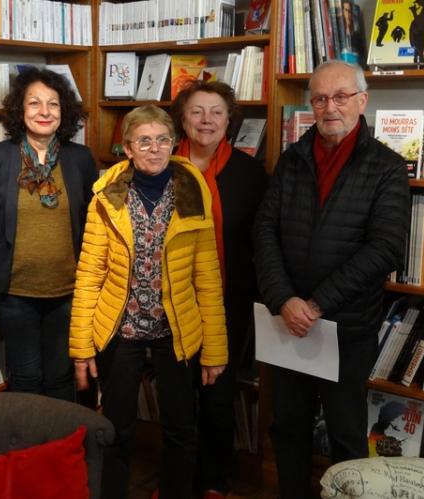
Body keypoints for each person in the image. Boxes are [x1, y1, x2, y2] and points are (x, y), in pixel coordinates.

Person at [253, 60, 410, 499]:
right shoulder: (292, 158)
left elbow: (385, 249)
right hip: (287, 324)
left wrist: (317, 304)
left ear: (362, 100)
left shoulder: (387, 168)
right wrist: (284, 299)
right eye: (320, 98)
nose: (330, 107)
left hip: (345, 331)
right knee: (287, 430)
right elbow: (264, 229)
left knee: (346, 437)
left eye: (340, 96)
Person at [69, 105, 228, 499]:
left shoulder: (192, 190)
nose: (154, 149)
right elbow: (90, 274)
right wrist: (81, 347)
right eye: (144, 141)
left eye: (162, 140)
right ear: (127, 148)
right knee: (116, 428)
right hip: (119, 330)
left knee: (180, 428)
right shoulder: (106, 196)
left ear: (173, 144)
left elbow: (207, 277)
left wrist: (215, 350)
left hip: (175, 331)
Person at [0, 67, 97, 402]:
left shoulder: (79, 158)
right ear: (20, 110)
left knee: (60, 377)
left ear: (63, 111)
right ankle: (31, 452)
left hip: (69, 291)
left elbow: (90, 219)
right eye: (34, 103)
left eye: (53, 104)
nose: (44, 112)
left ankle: (59, 451)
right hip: (15, 292)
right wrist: (0, 253)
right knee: (26, 378)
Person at [170, 80, 268, 499]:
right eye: (197, 111)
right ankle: (180, 482)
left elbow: (261, 240)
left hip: (227, 302)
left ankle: (213, 482)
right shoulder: (161, 165)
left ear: (230, 121)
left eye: (216, 112)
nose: (206, 120)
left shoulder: (249, 173)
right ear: (183, 119)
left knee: (216, 396)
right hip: (169, 302)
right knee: (177, 395)